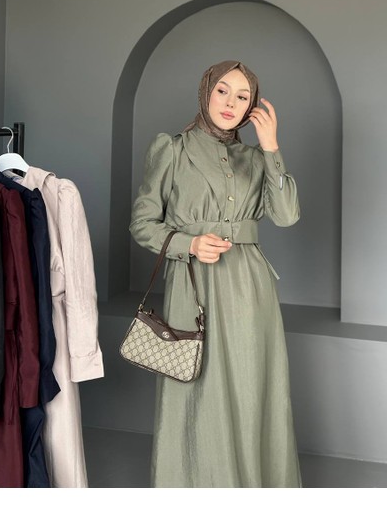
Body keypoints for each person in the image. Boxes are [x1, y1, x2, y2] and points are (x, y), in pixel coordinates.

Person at [129, 60, 302, 488]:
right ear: (206, 91)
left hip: (249, 286)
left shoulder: (256, 158)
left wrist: (271, 147)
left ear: (252, 105)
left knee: (250, 384)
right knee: (195, 384)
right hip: (193, 283)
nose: (230, 103)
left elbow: (287, 216)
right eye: (223, 90)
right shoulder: (172, 149)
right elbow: (142, 224)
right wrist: (188, 244)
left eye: (243, 96)